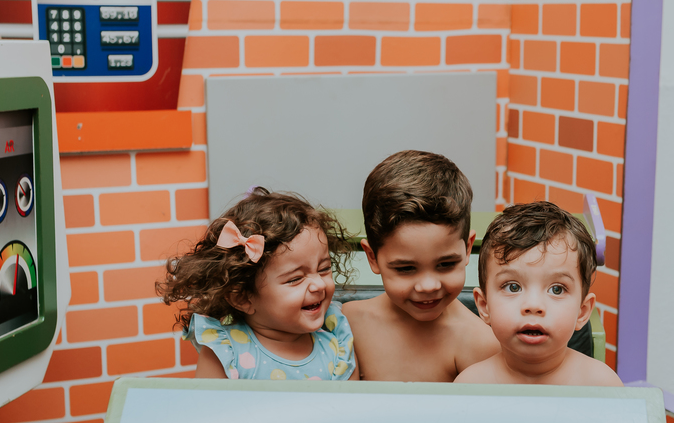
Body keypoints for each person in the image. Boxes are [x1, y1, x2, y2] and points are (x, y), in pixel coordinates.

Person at [158, 188, 356, 381]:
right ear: (242, 297)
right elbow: (207, 410)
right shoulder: (227, 352)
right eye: (295, 279)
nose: (319, 285)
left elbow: (351, 409)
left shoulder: (337, 344)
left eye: (323, 269)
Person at [343, 151, 499, 382]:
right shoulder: (346, 324)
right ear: (372, 257)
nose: (428, 286)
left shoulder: (480, 343)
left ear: (467, 249)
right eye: (406, 268)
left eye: (446, 264)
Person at [456, 201, 623, 386]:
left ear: (582, 312)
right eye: (513, 287)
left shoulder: (602, 385)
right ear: (484, 306)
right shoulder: (470, 386)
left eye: (556, 289)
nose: (533, 305)